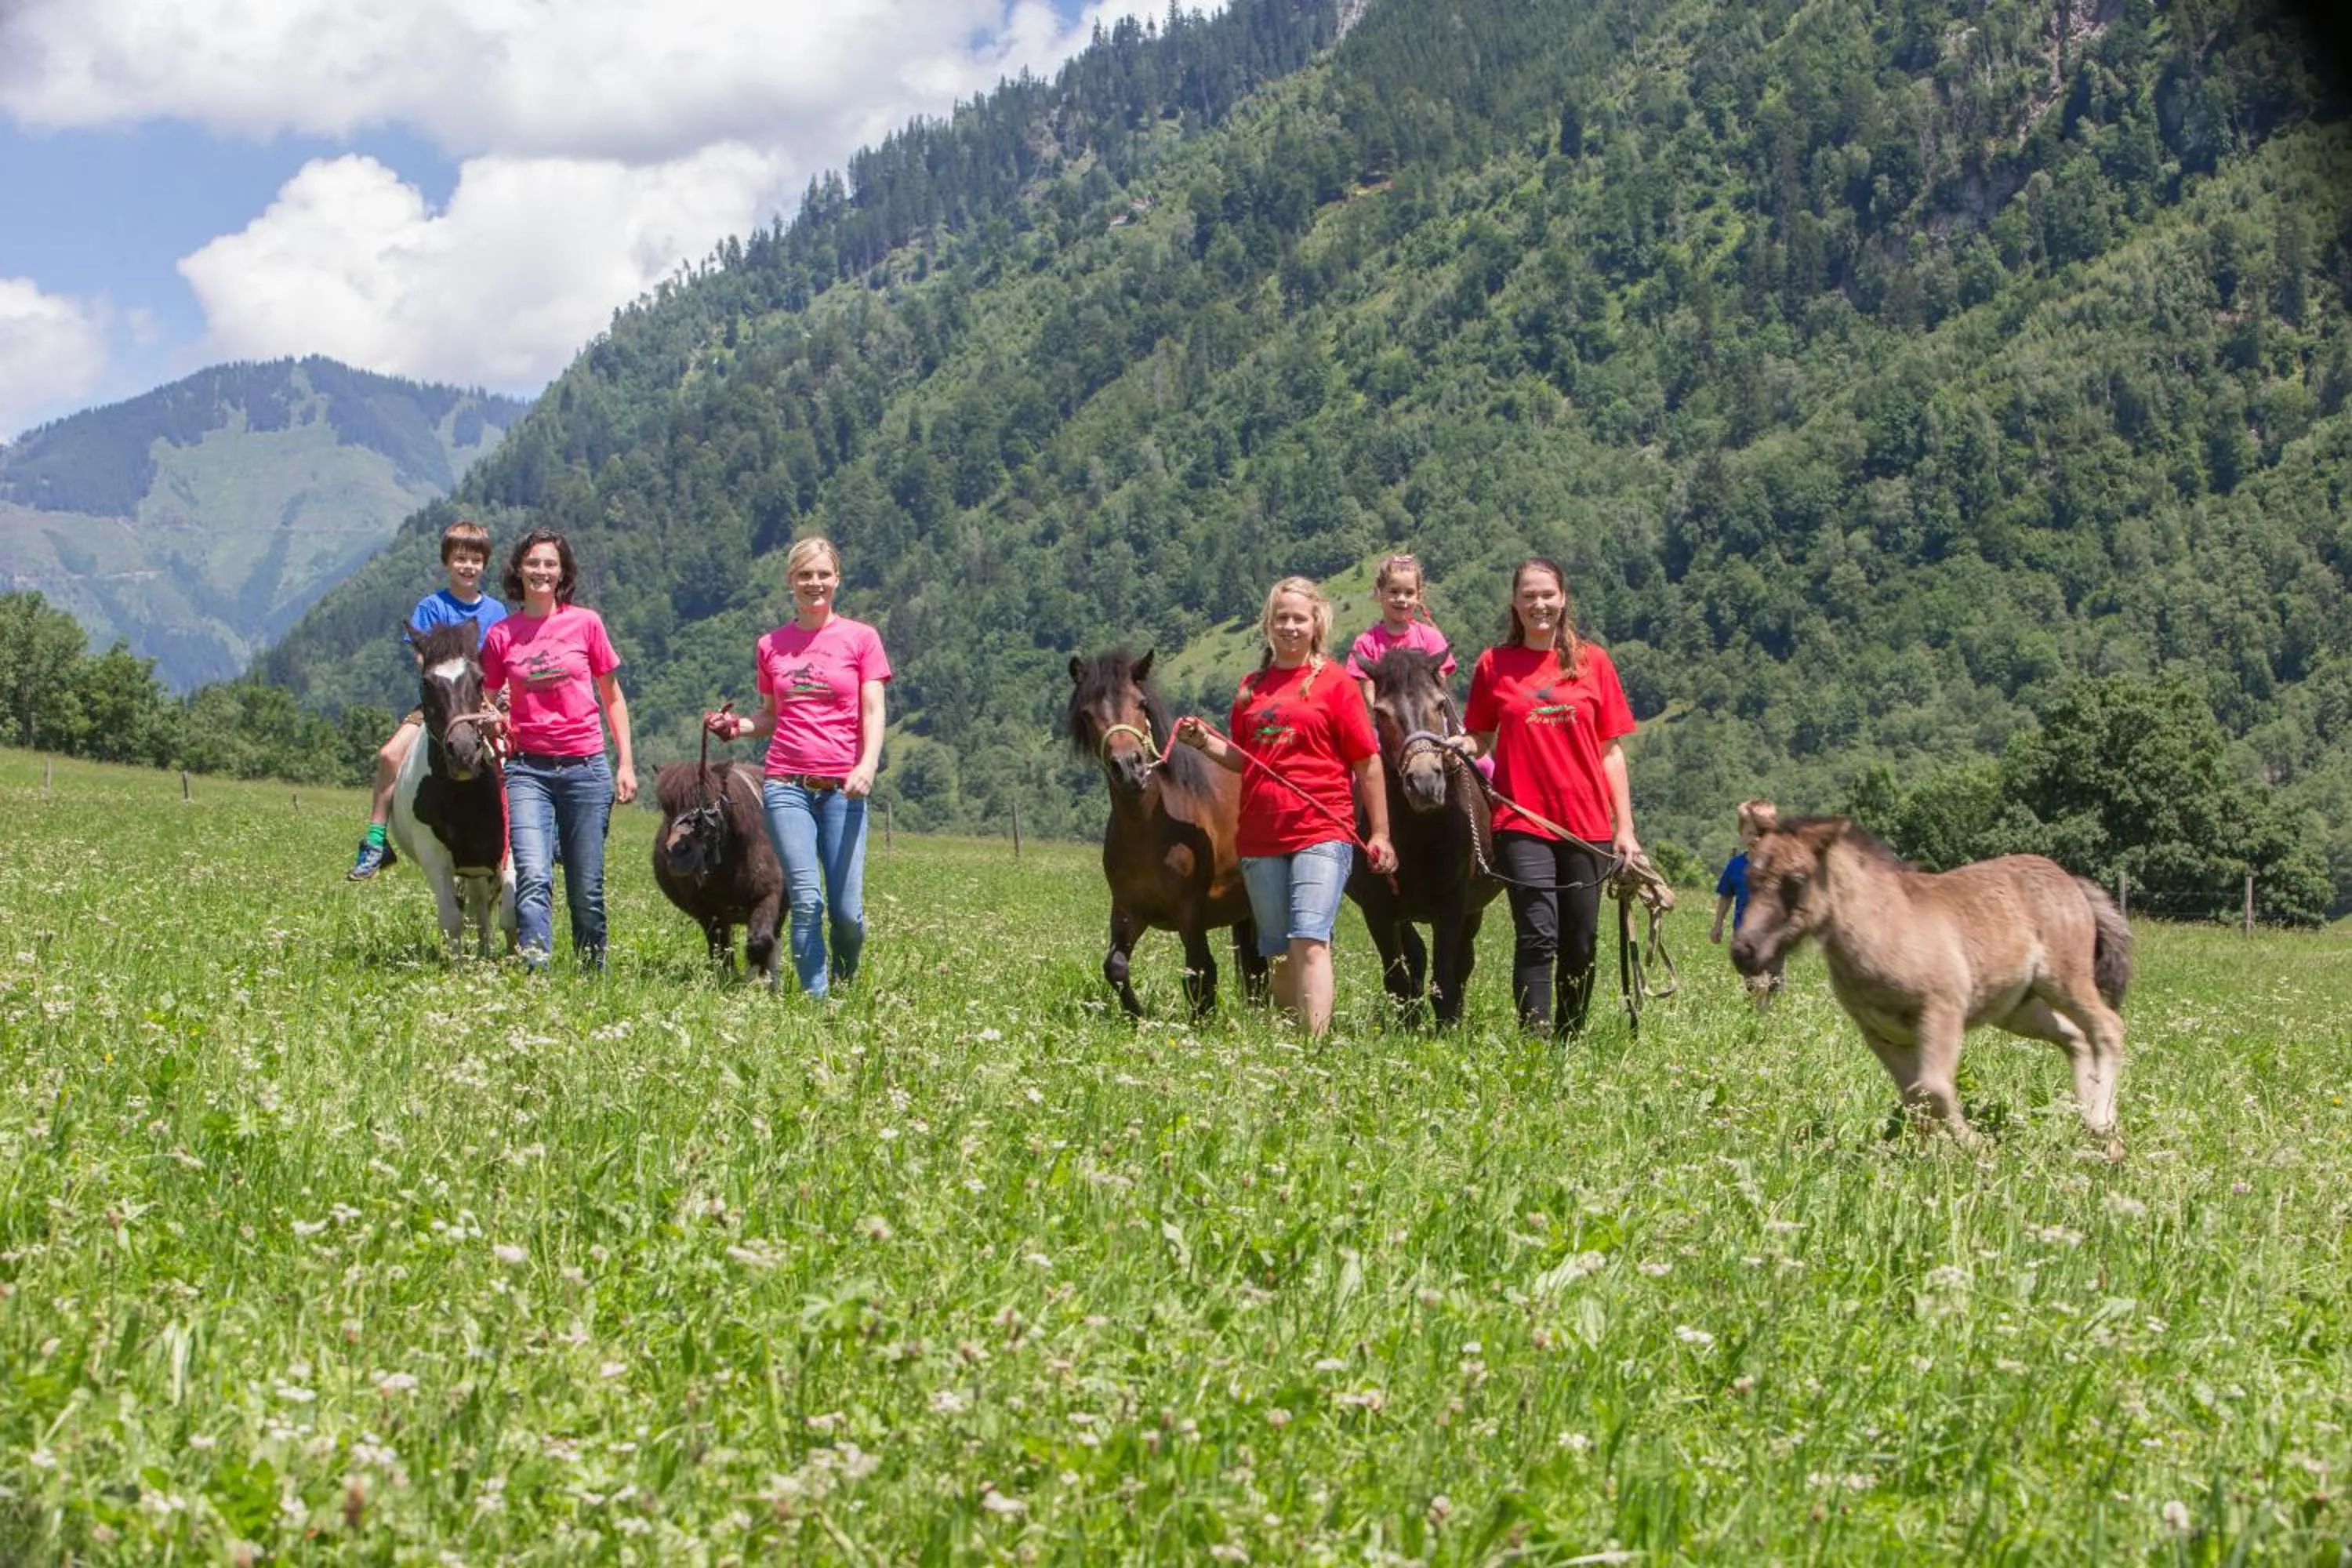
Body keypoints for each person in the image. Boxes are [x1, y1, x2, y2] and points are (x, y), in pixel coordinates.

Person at [1174, 576, 1396, 1036]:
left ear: (1317, 623)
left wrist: (1380, 833)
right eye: (1282, 619)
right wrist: (1205, 743)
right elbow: (1245, 758)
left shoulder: (1336, 684)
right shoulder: (1250, 687)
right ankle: (1290, 1044)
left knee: (1310, 939)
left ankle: (1314, 1045)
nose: (1290, 627)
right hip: (1259, 837)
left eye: (1299, 618)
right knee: (1276, 949)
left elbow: (1367, 763)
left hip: (1321, 829)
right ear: (1268, 625)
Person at [1455, 557, 1641, 1036]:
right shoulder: (1494, 664)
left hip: (1587, 827)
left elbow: (1611, 753)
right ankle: (1535, 1043)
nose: (1539, 604)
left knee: (1581, 941)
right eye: (1529, 596)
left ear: (1563, 599)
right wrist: (1462, 747)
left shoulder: (1593, 662)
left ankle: (1570, 1037)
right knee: (1537, 936)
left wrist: (1626, 830)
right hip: (1522, 825)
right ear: (1515, 604)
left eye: (1547, 595)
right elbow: (1481, 735)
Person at [705, 537, 889, 999]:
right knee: (806, 901)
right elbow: (771, 716)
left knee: (847, 914)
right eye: (805, 575)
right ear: (791, 582)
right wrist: (735, 726)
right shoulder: (772, 646)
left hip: (844, 790)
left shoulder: (861, 638)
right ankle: (818, 1002)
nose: (815, 583)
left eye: (823, 574)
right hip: (786, 784)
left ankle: (845, 980)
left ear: (837, 579)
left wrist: (867, 765)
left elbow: (872, 711)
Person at [479, 528, 636, 971]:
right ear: (518, 570)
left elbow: (612, 696)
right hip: (527, 770)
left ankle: (591, 978)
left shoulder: (586, 624)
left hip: (586, 768)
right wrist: (491, 720)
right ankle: (536, 975)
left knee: (586, 890)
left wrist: (625, 762)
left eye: (550, 564)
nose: (541, 571)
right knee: (533, 877)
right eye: (533, 563)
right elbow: (486, 699)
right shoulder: (502, 635)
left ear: (563, 572)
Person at [347, 518, 506, 879]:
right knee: (390, 755)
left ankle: (542, 833)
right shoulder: (432, 607)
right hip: (441, 706)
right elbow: (422, 657)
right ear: (446, 562)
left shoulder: (496, 612)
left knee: (518, 759)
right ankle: (375, 840)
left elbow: (501, 660)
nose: (468, 567)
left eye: (476, 560)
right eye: (460, 559)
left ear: (485, 564)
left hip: (484, 704)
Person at [1345, 551, 1457, 687]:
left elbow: (1440, 685)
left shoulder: (1431, 638)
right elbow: (1367, 688)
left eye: (1409, 593)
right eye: (1394, 592)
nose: (1401, 599)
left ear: (1419, 596)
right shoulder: (1366, 643)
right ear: (1379, 593)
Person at [1711, 798, 1780, 1007]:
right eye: (1750, 833)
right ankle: (1759, 1011)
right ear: (1741, 833)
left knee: (1774, 983)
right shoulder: (1735, 866)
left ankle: (1765, 1014)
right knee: (1756, 982)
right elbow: (1725, 896)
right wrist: (1717, 925)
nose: (1756, 839)